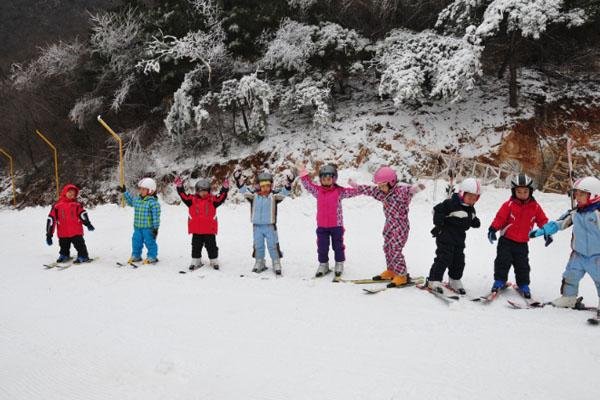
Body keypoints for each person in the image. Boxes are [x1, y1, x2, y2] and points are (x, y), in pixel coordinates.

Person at [348, 166, 425, 287]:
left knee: (395, 249)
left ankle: (402, 275)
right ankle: (391, 270)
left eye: (383, 185)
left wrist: (416, 188)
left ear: (392, 182)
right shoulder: (382, 192)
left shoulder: (400, 191)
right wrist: (356, 186)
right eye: (379, 186)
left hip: (400, 226)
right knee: (387, 247)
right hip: (389, 224)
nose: (381, 188)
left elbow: (409, 191)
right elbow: (369, 190)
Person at [530, 176, 600, 309]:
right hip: (578, 254)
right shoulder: (575, 213)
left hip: (597, 257)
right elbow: (559, 223)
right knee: (570, 277)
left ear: (594, 195)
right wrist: (544, 230)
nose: (577, 197)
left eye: (582, 194)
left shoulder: (598, 213)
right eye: (576, 194)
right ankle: (568, 298)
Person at [487, 174, 548, 298]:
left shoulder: (535, 207)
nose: (522, 194)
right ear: (514, 192)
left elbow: (543, 220)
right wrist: (493, 229)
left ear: (530, 191)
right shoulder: (508, 205)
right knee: (502, 262)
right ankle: (499, 281)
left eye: (525, 191)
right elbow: (500, 218)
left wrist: (547, 232)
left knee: (523, 265)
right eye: (519, 191)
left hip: (522, 243)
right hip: (506, 240)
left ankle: (523, 284)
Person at [299, 162, 360, 278]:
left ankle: (339, 263)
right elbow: (307, 185)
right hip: (322, 226)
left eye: (329, 178)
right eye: (324, 178)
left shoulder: (339, 191)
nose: (326, 180)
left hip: (336, 226)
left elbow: (353, 192)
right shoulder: (318, 191)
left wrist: (355, 185)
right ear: (320, 180)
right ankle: (323, 264)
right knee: (322, 246)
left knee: (338, 246)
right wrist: (303, 172)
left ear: (334, 179)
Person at [427, 178, 481, 294]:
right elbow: (437, 210)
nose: (472, 200)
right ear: (462, 194)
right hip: (445, 235)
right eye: (469, 197)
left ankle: (454, 279)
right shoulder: (451, 203)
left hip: (459, 239)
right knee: (444, 257)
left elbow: (471, 218)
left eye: (474, 198)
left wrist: (475, 222)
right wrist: (439, 221)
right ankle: (434, 280)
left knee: (459, 260)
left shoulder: (471, 209)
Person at [235, 170, 293, 275]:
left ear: (271, 186)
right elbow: (243, 190)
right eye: (263, 186)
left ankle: (276, 262)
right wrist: (239, 180)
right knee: (258, 245)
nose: (265, 188)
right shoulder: (253, 196)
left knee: (273, 245)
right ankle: (259, 261)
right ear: (258, 186)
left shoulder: (274, 196)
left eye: (268, 186)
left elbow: (284, 193)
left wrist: (288, 184)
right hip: (257, 226)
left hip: (270, 226)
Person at [175, 176, 228, 270]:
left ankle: (214, 260)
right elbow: (183, 195)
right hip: (196, 230)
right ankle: (196, 260)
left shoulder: (213, 200)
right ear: (197, 191)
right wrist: (180, 187)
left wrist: (225, 188)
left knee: (211, 246)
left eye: (205, 191)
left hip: (209, 230)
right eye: (201, 191)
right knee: (196, 246)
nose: (203, 193)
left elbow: (221, 197)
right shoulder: (191, 200)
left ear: (209, 191)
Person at [46, 184, 94, 264]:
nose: (72, 194)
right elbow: (51, 220)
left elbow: (83, 215)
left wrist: (88, 224)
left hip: (76, 231)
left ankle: (83, 256)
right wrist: (49, 235)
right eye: (70, 192)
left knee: (79, 245)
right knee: (63, 245)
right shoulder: (57, 206)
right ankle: (64, 255)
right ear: (64, 192)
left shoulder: (77, 205)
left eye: (74, 193)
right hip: (63, 232)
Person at [118, 178, 161, 264]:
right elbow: (130, 202)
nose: (141, 191)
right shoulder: (138, 200)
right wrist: (125, 192)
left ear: (151, 191)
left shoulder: (153, 203)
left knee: (150, 242)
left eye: (143, 189)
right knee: (136, 241)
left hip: (148, 228)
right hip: (137, 227)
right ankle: (136, 255)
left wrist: (155, 229)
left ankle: (152, 256)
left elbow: (156, 217)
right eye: (140, 189)